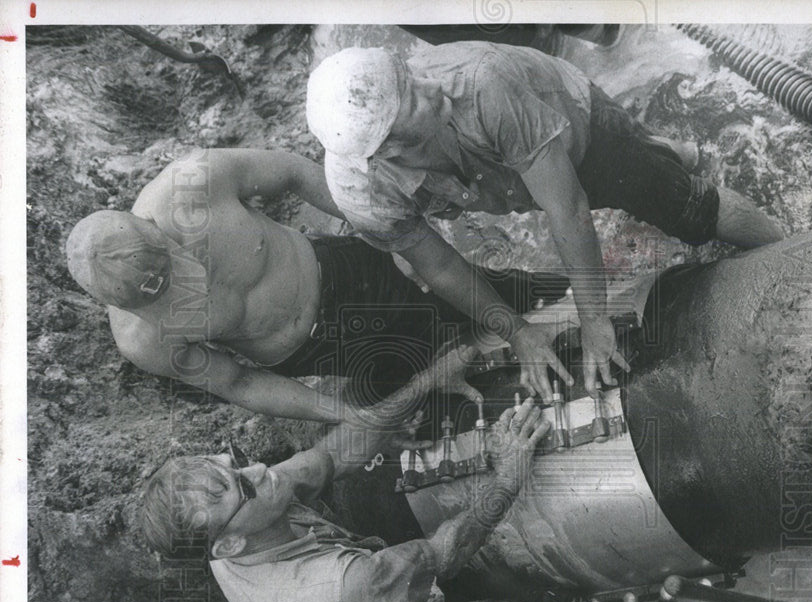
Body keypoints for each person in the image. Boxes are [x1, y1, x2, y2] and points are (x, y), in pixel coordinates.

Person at [306, 43, 785, 400]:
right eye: (413, 100)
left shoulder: (481, 85)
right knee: (620, 170)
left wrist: (595, 319)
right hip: (495, 174)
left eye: (410, 77)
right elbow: (440, 268)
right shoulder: (363, 193)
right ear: (387, 150)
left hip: (570, 118)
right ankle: (663, 150)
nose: (431, 87)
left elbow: (568, 209)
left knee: (687, 209)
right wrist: (517, 331)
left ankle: (794, 252)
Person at [66, 148, 572, 421]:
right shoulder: (142, 340)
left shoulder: (192, 185)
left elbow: (293, 174)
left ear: (150, 225)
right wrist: (340, 415)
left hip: (351, 272)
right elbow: (236, 382)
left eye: (169, 263)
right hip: (316, 355)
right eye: (156, 293)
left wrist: (385, 233)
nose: (180, 282)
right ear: (124, 307)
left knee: (503, 294)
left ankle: (584, 296)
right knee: (444, 394)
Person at [140, 391, 620, 602]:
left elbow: (323, 460)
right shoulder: (338, 589)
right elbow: (446, 552)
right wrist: (508, 477)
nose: (259, 467)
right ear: (228, 545)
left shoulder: (228, 526)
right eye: (238, 484)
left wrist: (427, 383)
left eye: (231, 459)